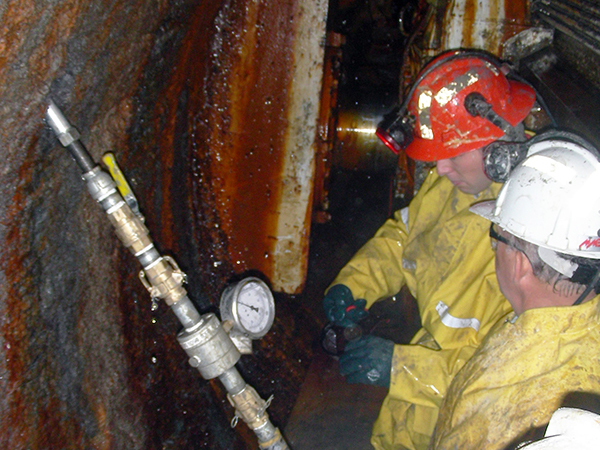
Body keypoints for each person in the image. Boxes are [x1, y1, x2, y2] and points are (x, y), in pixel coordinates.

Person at [323, 50, 539, 450]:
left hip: (471, 430)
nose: (440, 169)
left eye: (453, 155)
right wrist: (353, 284)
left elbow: (514, 374)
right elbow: (405, 238)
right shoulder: (454, 187)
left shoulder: (538, 243)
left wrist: (401, 369)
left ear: (498, 152)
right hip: (415, 419)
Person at [429, 137, 600, 450]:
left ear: (520, 265)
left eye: (497, 240)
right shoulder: (579, 332)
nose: (493, 249)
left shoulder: (510, 410)